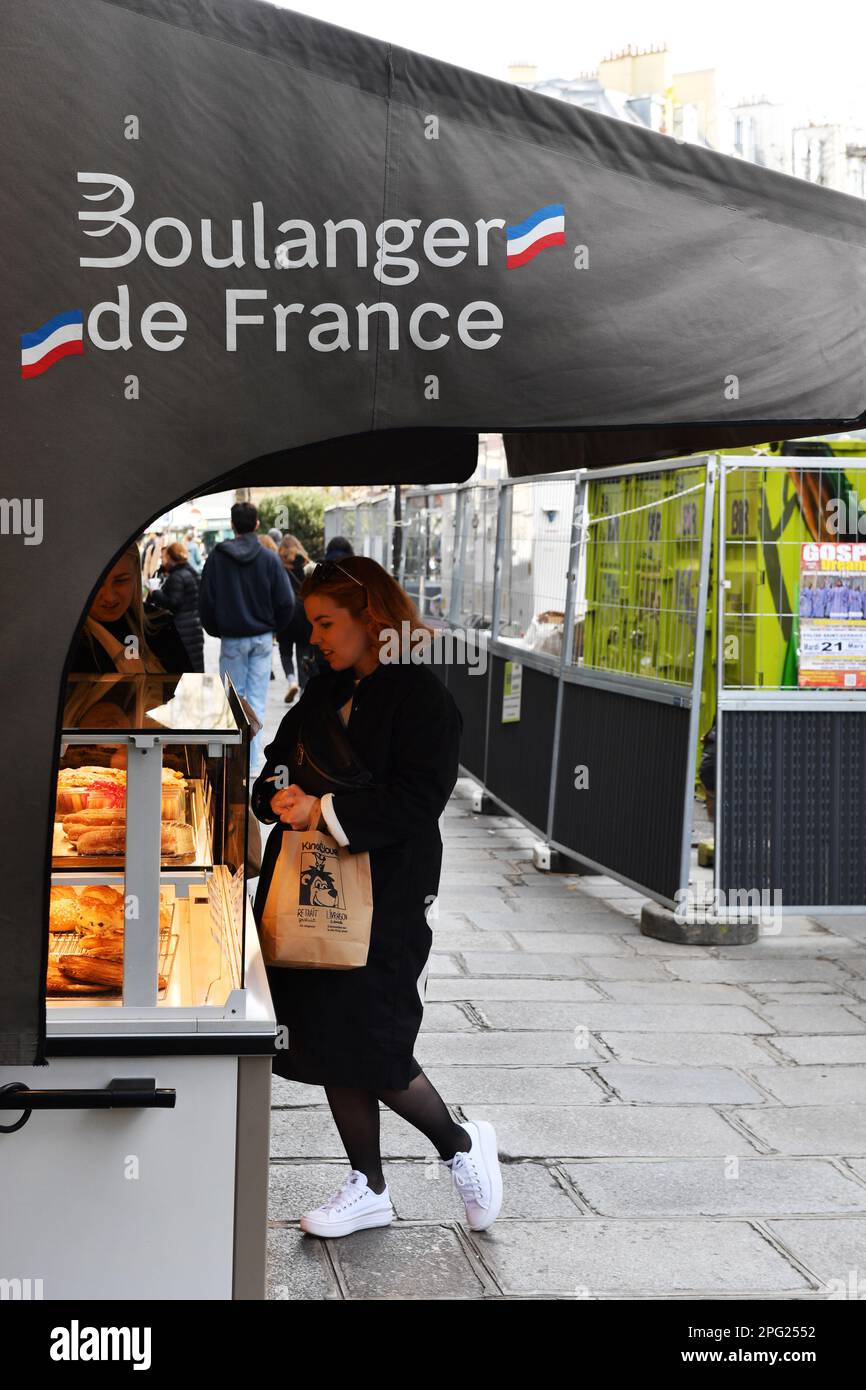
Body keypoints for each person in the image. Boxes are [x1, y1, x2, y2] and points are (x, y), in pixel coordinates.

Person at [251, 555, 503, 1239]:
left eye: (328, 623)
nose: (318, 639)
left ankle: (458, 1144)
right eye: (313, 625)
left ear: (372, 617)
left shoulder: (423, 699)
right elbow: (279, 753)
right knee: (331, 1031)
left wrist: (323, 807)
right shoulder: (323, 689)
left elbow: (419, 800)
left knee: (378, 1039)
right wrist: (276, 793)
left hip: (390, 892)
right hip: (310, 888)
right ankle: (368, 1184)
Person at [198, 501, 295, 772]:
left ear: (232, 525)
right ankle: (251, 764)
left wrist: (218, 629)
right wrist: (274, 627)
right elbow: (287, 601)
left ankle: (234, 764)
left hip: (232, 638)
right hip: (262, 637)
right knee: (256, 700)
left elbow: (205, 600)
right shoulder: (269, 558)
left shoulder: (218, 558)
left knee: (233, 703)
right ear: (256, 524)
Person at [68, 543, 191, 674]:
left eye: (121, 581)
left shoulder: (160, 625)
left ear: (135, 576)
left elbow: (187, 686)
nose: (109, 597)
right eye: (96, 583)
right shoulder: (64, 642)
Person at [147, 541, 205, 671]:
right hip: (194, 628)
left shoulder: (177, 576)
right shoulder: (190, 572)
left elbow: (173, 603)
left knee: (187, 670)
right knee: (196, 669)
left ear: (170, 557)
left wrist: (155, 592)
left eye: (164, 556)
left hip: (183, 631)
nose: (162, 559)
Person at [277, 533, 317, 702]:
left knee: (285, 652)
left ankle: (292, 681)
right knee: (303, 653)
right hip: (305, 615)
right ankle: (303, 689)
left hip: (285, 615)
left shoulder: (278, 566)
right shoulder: (307, 565)